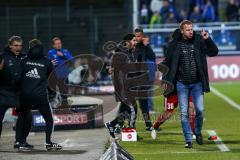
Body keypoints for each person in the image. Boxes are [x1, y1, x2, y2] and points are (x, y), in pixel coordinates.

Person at [163, 20, 218, 148]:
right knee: (184, 113)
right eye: (187, 29)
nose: (191, 31)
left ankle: (197, 132)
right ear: (182, 31)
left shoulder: (199, 40)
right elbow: (167, 63)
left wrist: (208, 39)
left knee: (200, 110)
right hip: (181, 83)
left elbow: (214, 52)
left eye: (191, 29)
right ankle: (188, 139)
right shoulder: (174, 44)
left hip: (197, 82)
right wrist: (166, 80)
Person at [16, 39, 62, 150]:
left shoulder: (24, 60)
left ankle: (19, 142)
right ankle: (48, 143)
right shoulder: (47, 61)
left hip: (25, 95)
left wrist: (18, 94)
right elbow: (53, 80)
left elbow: (18, 78)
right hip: (40, 96)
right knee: (49, 119)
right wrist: (52, 94)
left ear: (30, 47)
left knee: (22, 117)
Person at [105, 33, 138, 139]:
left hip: (128, 85)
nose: (136, 42)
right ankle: (132, 132)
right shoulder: (120, 53)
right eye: (134, 40)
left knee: (127, 110)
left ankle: (112, 124)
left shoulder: (129, 52)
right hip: (123, 86)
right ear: (127, 42)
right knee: (133, 109)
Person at [0, 36, 25, 141]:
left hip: (18, 93)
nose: (18, 48)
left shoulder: (24, 58)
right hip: (3, 92)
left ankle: (20, 141)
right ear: (10, 46)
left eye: (20, 46)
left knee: (26, 117)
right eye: (16, 45)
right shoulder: (2, 57)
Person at [134, 28, 156, 131]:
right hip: (132, 78)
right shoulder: (133, 46)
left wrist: (147, 46)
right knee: (131, 104)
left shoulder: (145, 47)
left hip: (142, 78)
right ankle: (123, 124)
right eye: (136, 36)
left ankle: (148, 124)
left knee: (144, 103)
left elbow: (152, 56)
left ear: (142, 37)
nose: (137, 38)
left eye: (139, 36)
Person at [48, 37, 73, 106]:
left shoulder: (65, 51)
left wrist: (63, 55)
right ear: (53, 45)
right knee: (53, 91)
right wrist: (51, 63)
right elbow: (50, 62)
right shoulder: (51, 52)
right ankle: (53, 105)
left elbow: (72, 60)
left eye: (60, 43)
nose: (59, 45)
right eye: (57, 44)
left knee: (64, 92)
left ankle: (65, 105)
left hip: (64, 75)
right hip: (55, 75)